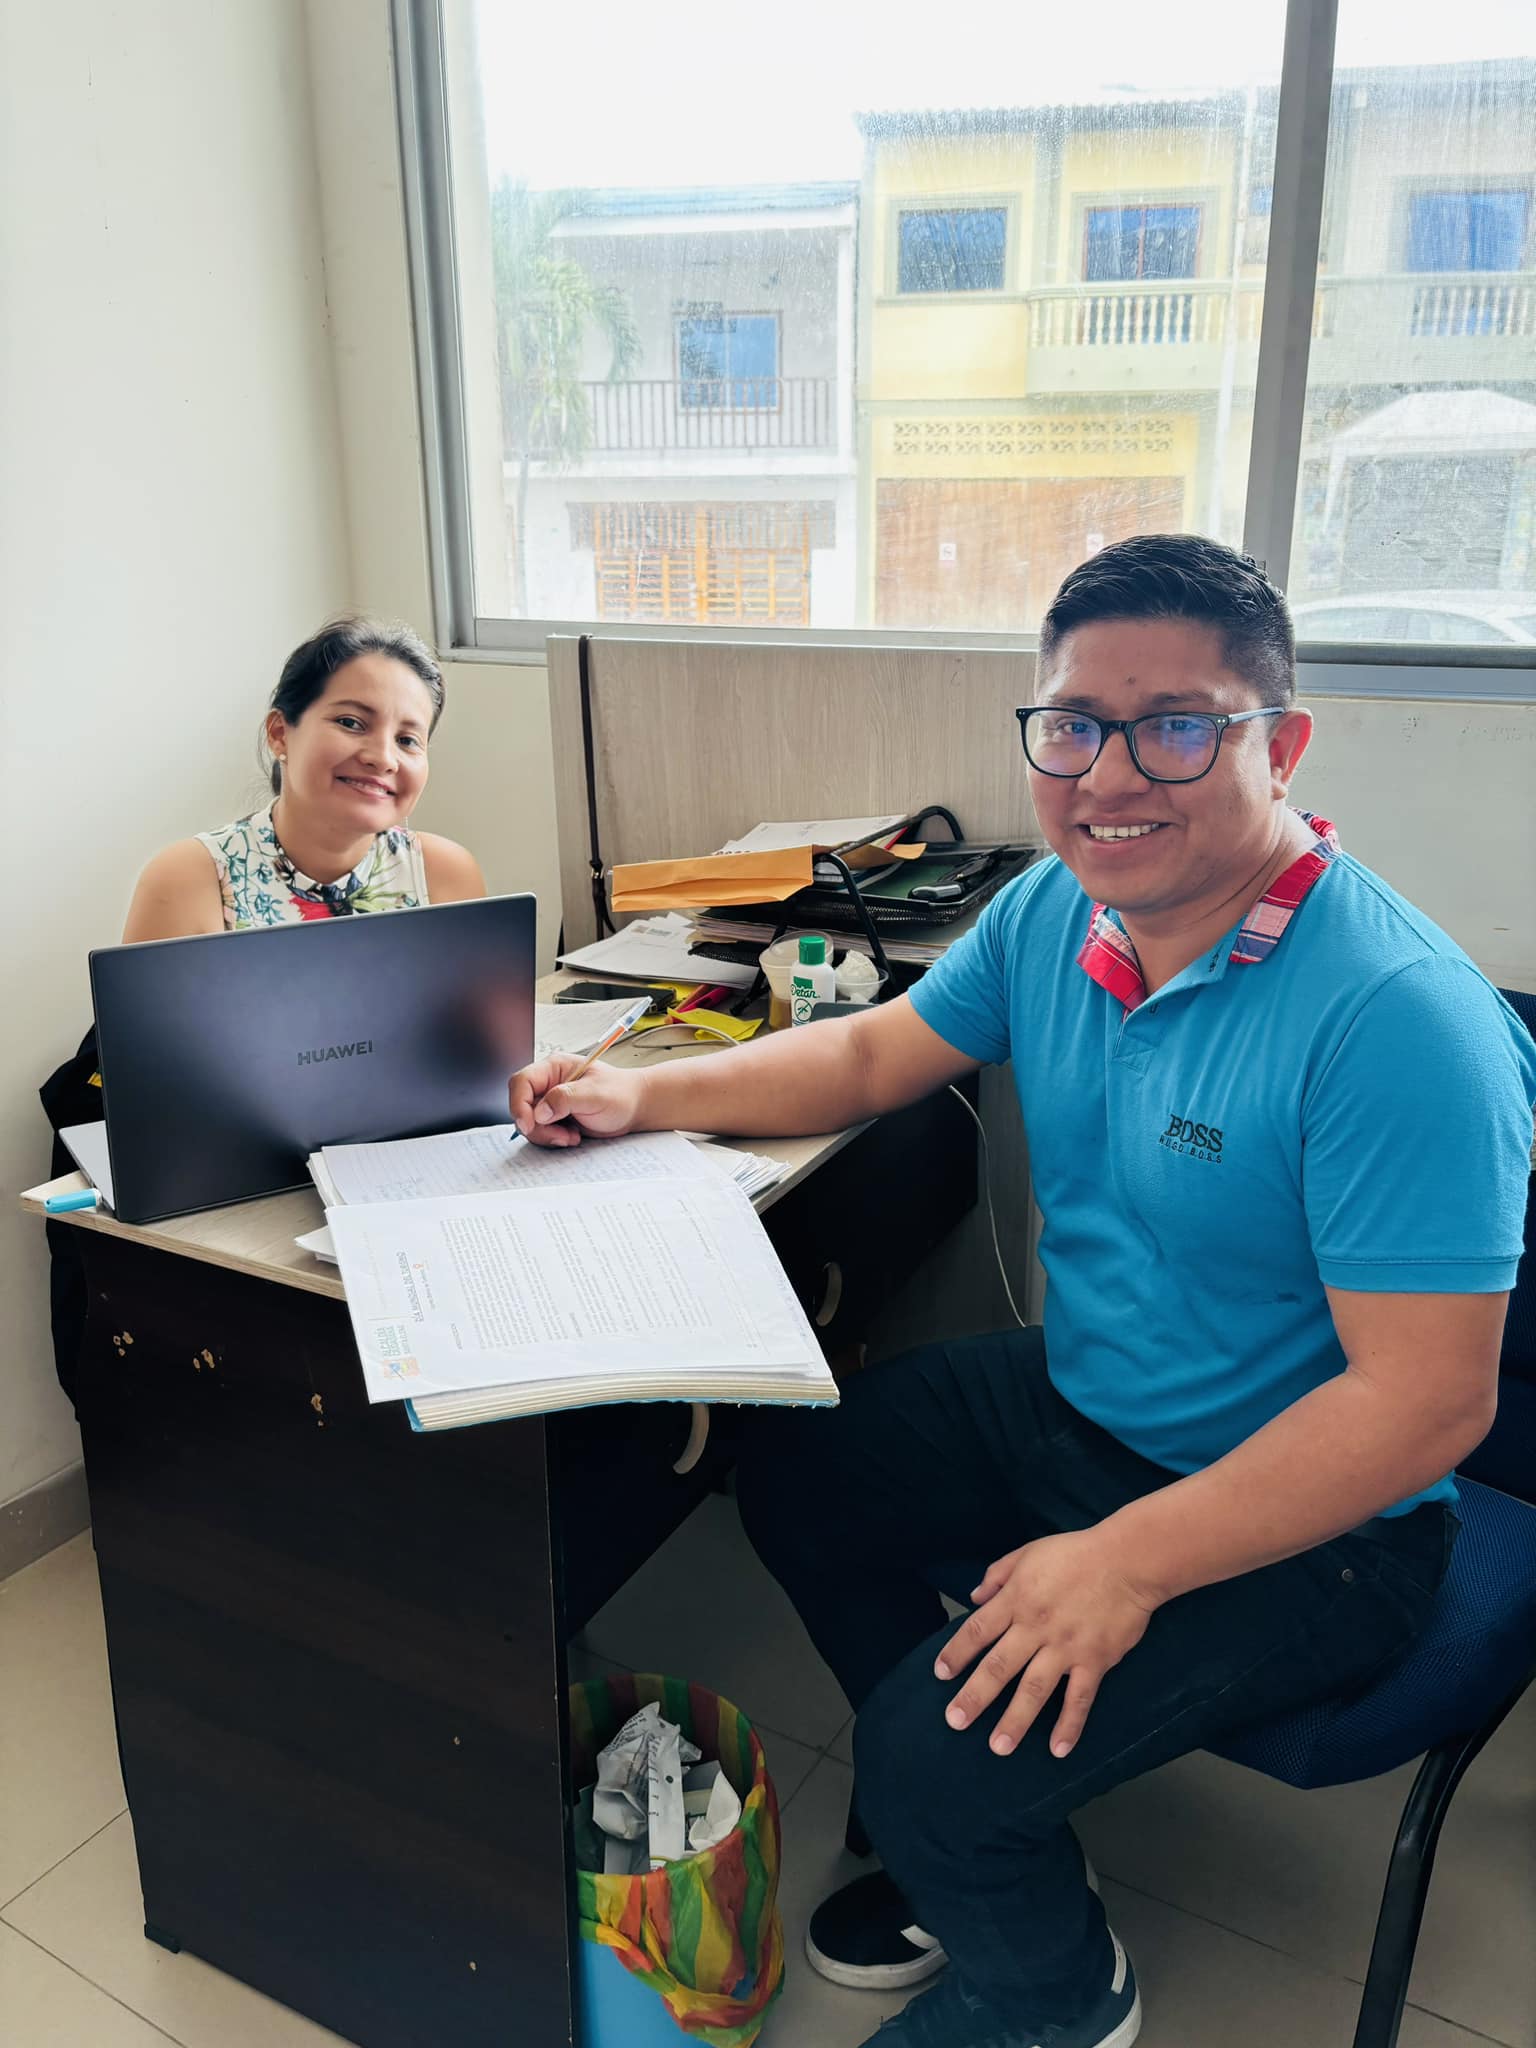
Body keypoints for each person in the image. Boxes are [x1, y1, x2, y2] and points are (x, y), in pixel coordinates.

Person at [509, 536, 1536, 2048]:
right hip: (1087, 1397)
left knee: (931, 1760)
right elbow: (875, 1051)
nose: (1109, 776)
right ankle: (975, 1833)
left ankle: (1058, 1996)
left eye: (1176, 726)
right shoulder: (1063, 911)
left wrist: (1123, 1562)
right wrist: (641, 1095)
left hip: (1324, 1522)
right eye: (1072, 725)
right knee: (798, 1469)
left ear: (1283, 743)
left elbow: (1427, 1403)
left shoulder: (1399, 1019)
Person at [123, 616, 484, 940]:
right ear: (280, 733)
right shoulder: (186, 880)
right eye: (350, 723)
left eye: (407, 740)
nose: (383, 758)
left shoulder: (445, 875)